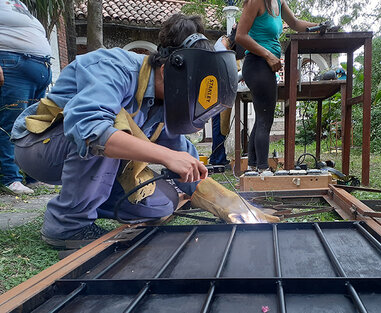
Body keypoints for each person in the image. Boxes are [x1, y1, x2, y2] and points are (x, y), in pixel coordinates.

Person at [11, 14, 278, 249]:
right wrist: (164, 156)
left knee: (163, 203)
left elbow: (186, 164)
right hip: (40, 146)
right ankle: (67, 225)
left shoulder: (164, 105)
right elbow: (89, 129)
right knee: (112, 127)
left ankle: (91, 200)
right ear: (168, 68)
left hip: (88, 154)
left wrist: (232, 204)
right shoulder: (114, 67)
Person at [236, 0, 317, 172]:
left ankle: (253, 167)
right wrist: (268, 55)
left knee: (262, 118)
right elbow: (240, 36)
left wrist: (319, 26)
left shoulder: (279, 2)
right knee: (265, 118)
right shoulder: (256, 2)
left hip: (268, 65)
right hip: (257, 63)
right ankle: (263, 169)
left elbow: (295, 23)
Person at [0, 0, 52, 194]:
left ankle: (33, 175)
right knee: (11, 124)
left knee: (35, 124)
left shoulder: (17, 3)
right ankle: (10, 178)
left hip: (39, 67)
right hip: (12, 64)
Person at [210, 23, 244, 167]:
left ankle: (220, 157)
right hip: (218, 93)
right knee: (219, 126)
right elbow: (228, 75)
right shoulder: (221, 49)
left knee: (221, 127)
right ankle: (217, 159)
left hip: (223, 92)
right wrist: (244, 74)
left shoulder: (225, 45)